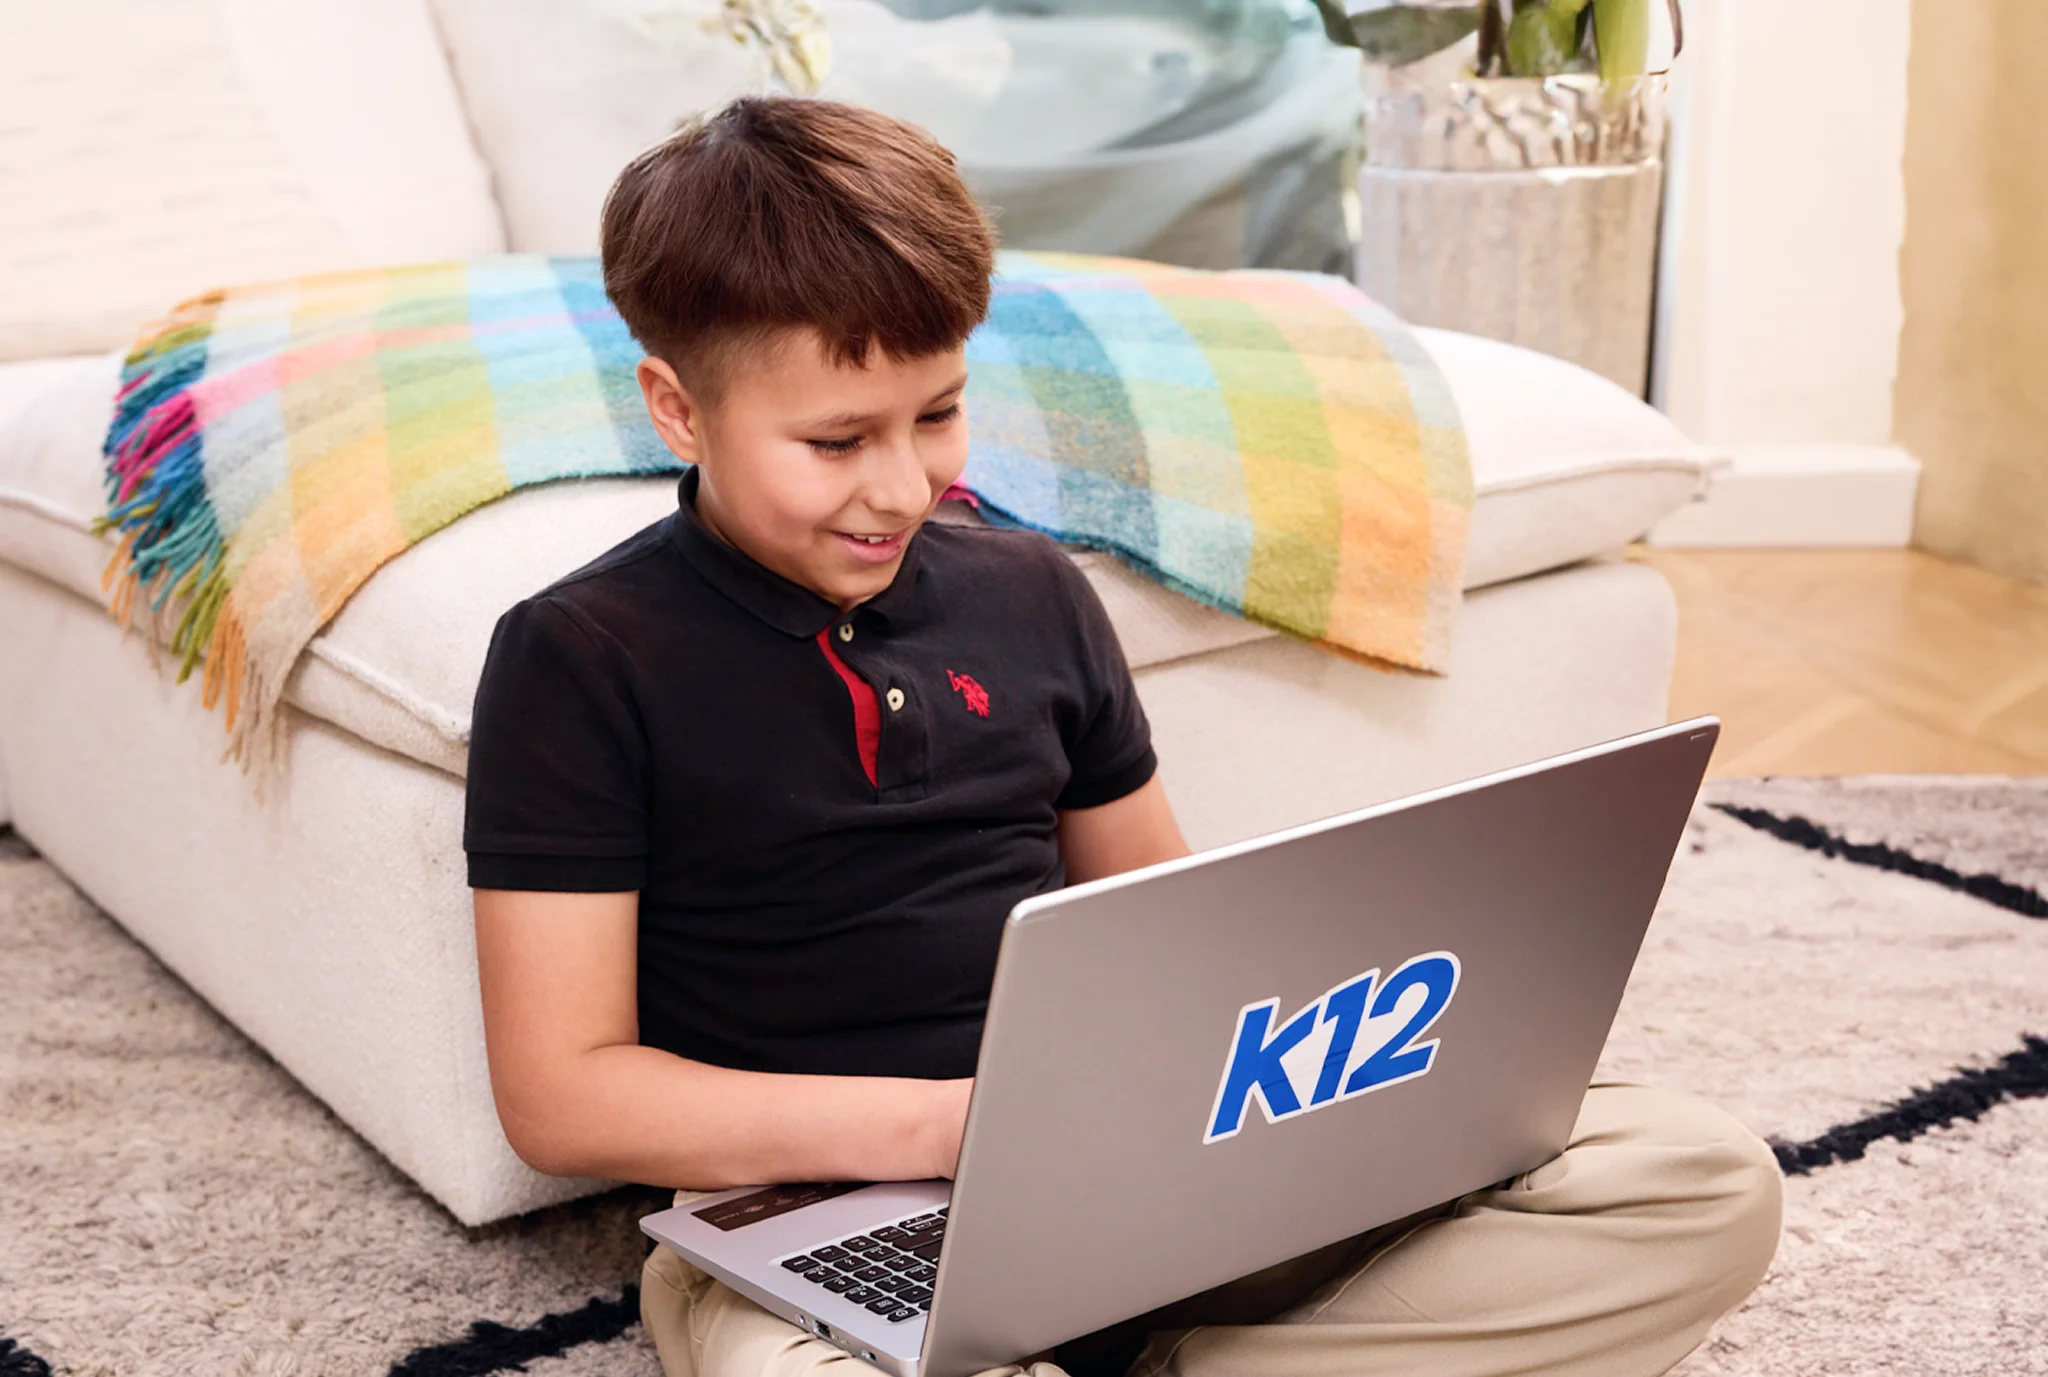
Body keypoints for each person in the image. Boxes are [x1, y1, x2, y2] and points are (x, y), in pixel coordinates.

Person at [462, 96, 1781, 1377]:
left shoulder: (1030, 590)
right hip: (812, 1220)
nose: (903, 485)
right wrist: (945, 1129)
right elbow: (564, 1096)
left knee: (1696, 1182)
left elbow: (1167, 923)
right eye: (835, 440)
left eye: (935, 414)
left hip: (1127, 1175)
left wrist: (1329, 1078)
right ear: (679, 410)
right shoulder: (579, 658)